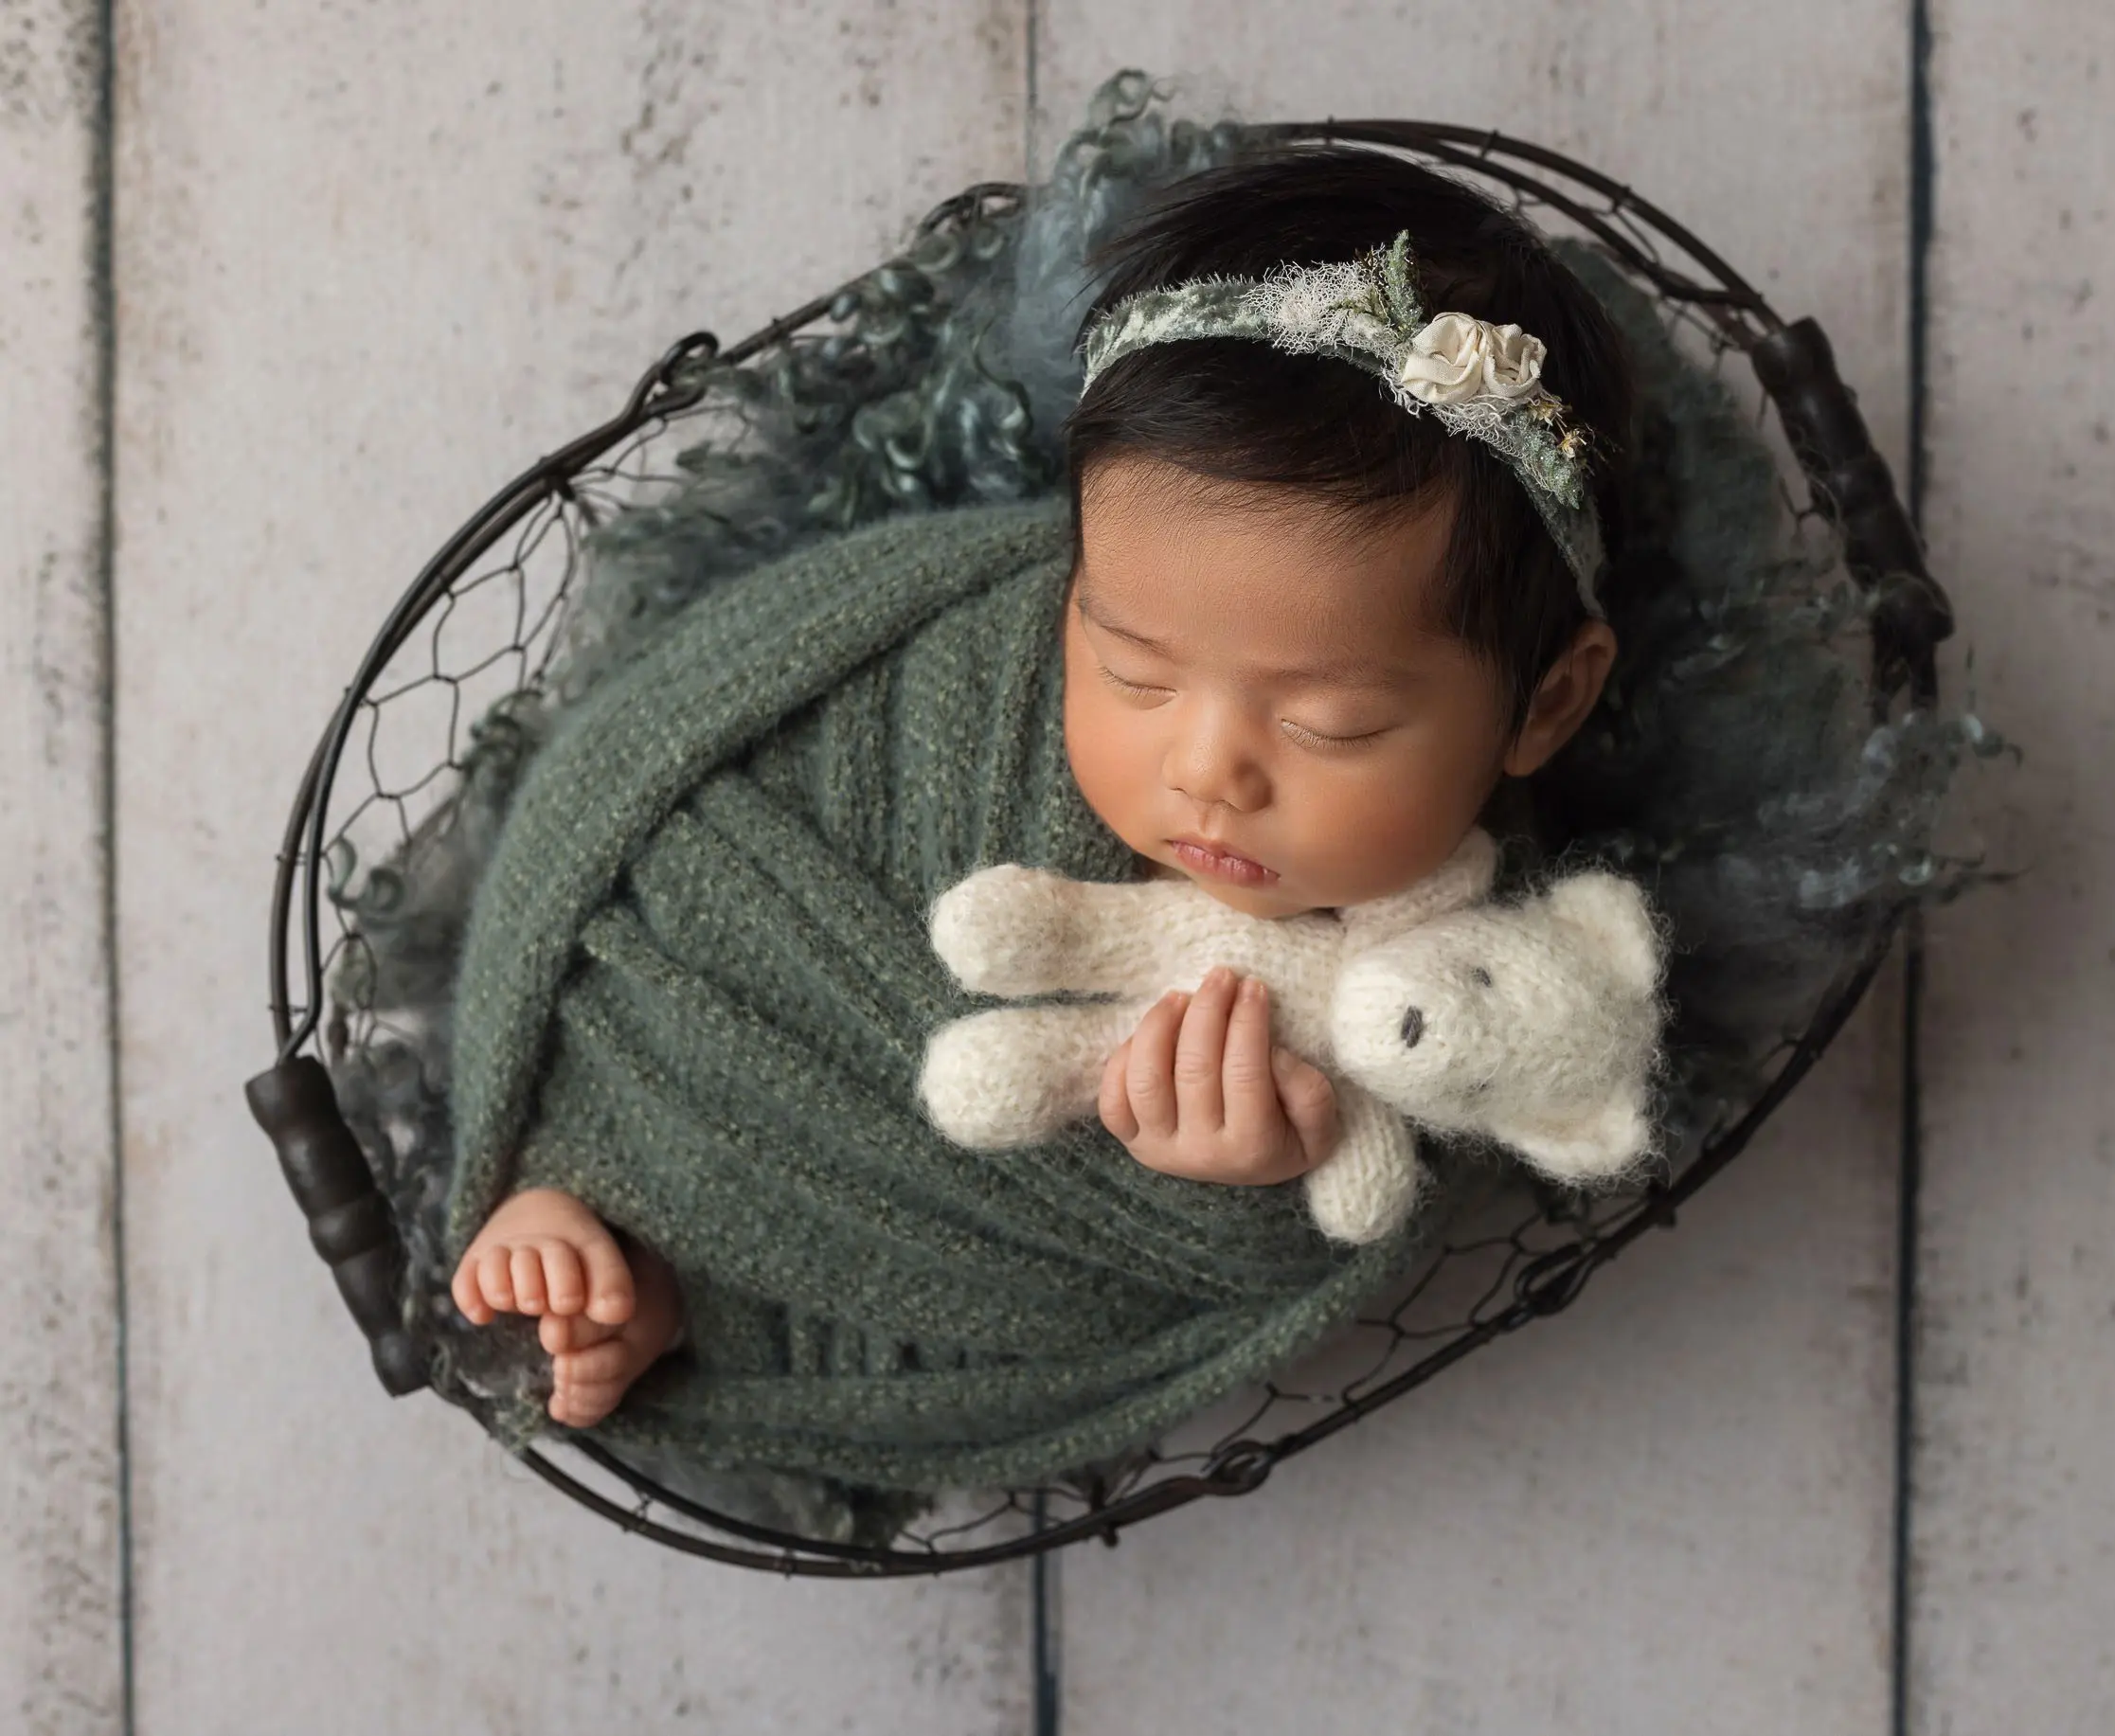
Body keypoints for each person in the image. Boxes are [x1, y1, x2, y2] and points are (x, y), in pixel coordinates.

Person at [447, 146, 1639, 1427]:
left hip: (954, 1278)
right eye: (1131, 669)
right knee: (673, 937)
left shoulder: (1479, 997)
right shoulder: (942, 649)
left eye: (1331, 723)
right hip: (668, 1021)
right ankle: (586, 1198)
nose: (1205, 771)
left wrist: (1236, 1194)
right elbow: (641, 761)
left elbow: (1257, 1281)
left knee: (914, 1274)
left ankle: (668, 1306)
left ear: (1549, 701)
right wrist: (576, 1141)